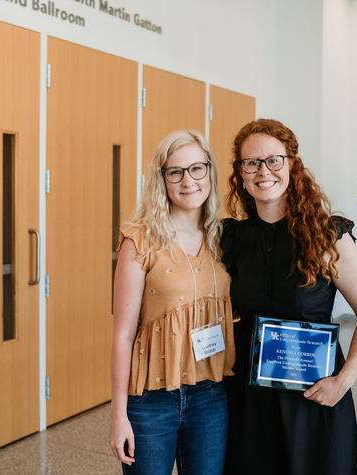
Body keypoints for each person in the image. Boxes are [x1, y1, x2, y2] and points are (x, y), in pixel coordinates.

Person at [221, 119, 357, 475]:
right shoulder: (231, 238)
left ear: (292, 164)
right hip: (249, 398)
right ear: (241, 174)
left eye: (273, 160)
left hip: (314, 394)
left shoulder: (327, 235)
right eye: (252, 163)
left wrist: (345, 380)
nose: (264, 171)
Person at [108, 130, 235, 475]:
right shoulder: (140, 240)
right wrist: (118, 415)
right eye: (175, 171)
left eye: (197, 168)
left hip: (210, 396)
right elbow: (123, 335)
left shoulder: (224, 238)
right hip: (151, 401)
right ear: (161, 179)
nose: (188, 180)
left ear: (209, 172)